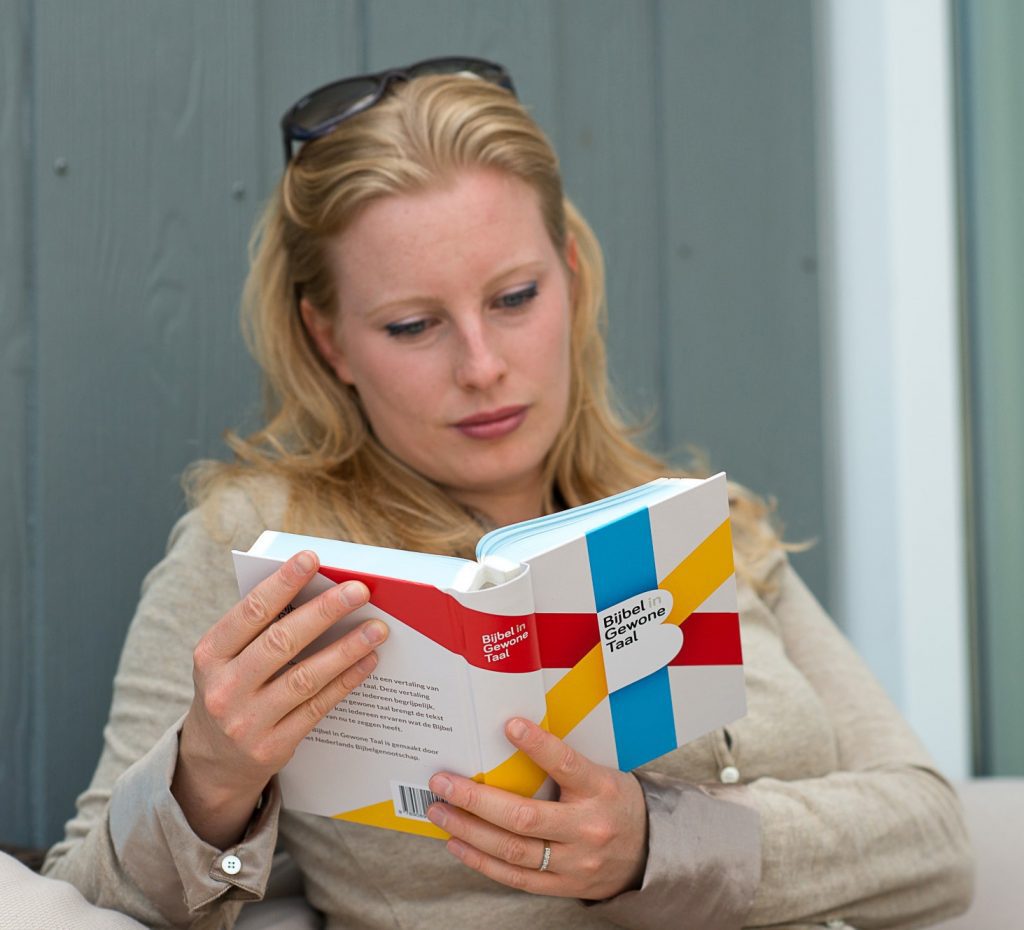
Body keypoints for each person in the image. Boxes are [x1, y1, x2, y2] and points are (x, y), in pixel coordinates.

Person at [42, 58, 972, 930]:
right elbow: (73, 899)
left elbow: (933, 835)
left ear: (570, 276)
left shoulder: (694, 521)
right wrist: (205, 781)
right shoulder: (261, 548)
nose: (482, 367)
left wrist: (656, 845)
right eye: (413, 325)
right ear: (329, 342)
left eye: (515, 298)